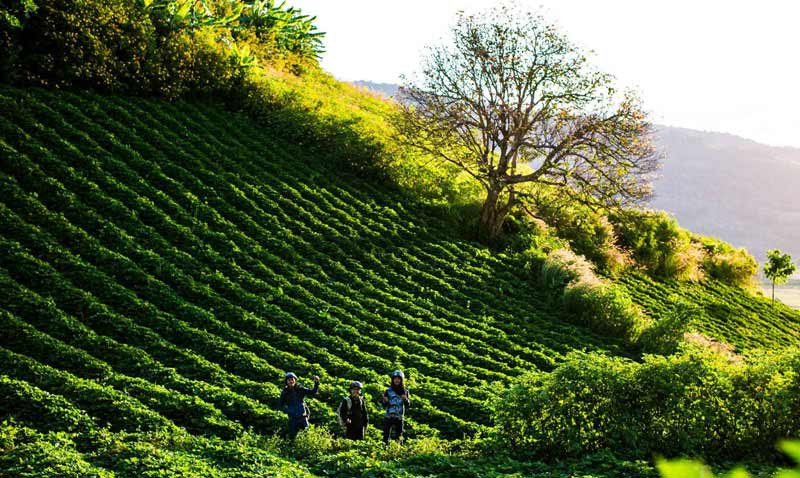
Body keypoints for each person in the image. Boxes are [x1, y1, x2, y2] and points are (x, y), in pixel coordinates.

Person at [279, 372, 319, 439]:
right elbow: (280, 405)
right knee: (292, 437)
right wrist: (288, 410)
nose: (291, 381)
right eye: (289, 380)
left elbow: (313, 392)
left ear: (295, 380)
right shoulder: (285, 393)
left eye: (292, 379)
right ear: (286, 382)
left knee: (307, 435)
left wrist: (316, 383)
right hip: (292, 419)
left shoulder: (300, 389)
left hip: (303, 417)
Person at [382, 370, 410, 443]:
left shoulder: (405, 391)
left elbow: (408, 405)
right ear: (392, 380)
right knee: (386, 436)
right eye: (395, 378)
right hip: (389, 416)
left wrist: (405, 399)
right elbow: (384, 405)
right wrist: (385, 401)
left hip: (399, 417)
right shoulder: (388, 391)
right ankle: (385, 448)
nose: (397, 380)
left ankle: (398, 449)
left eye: (399, 379)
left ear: (401, 380)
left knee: (399, 436)